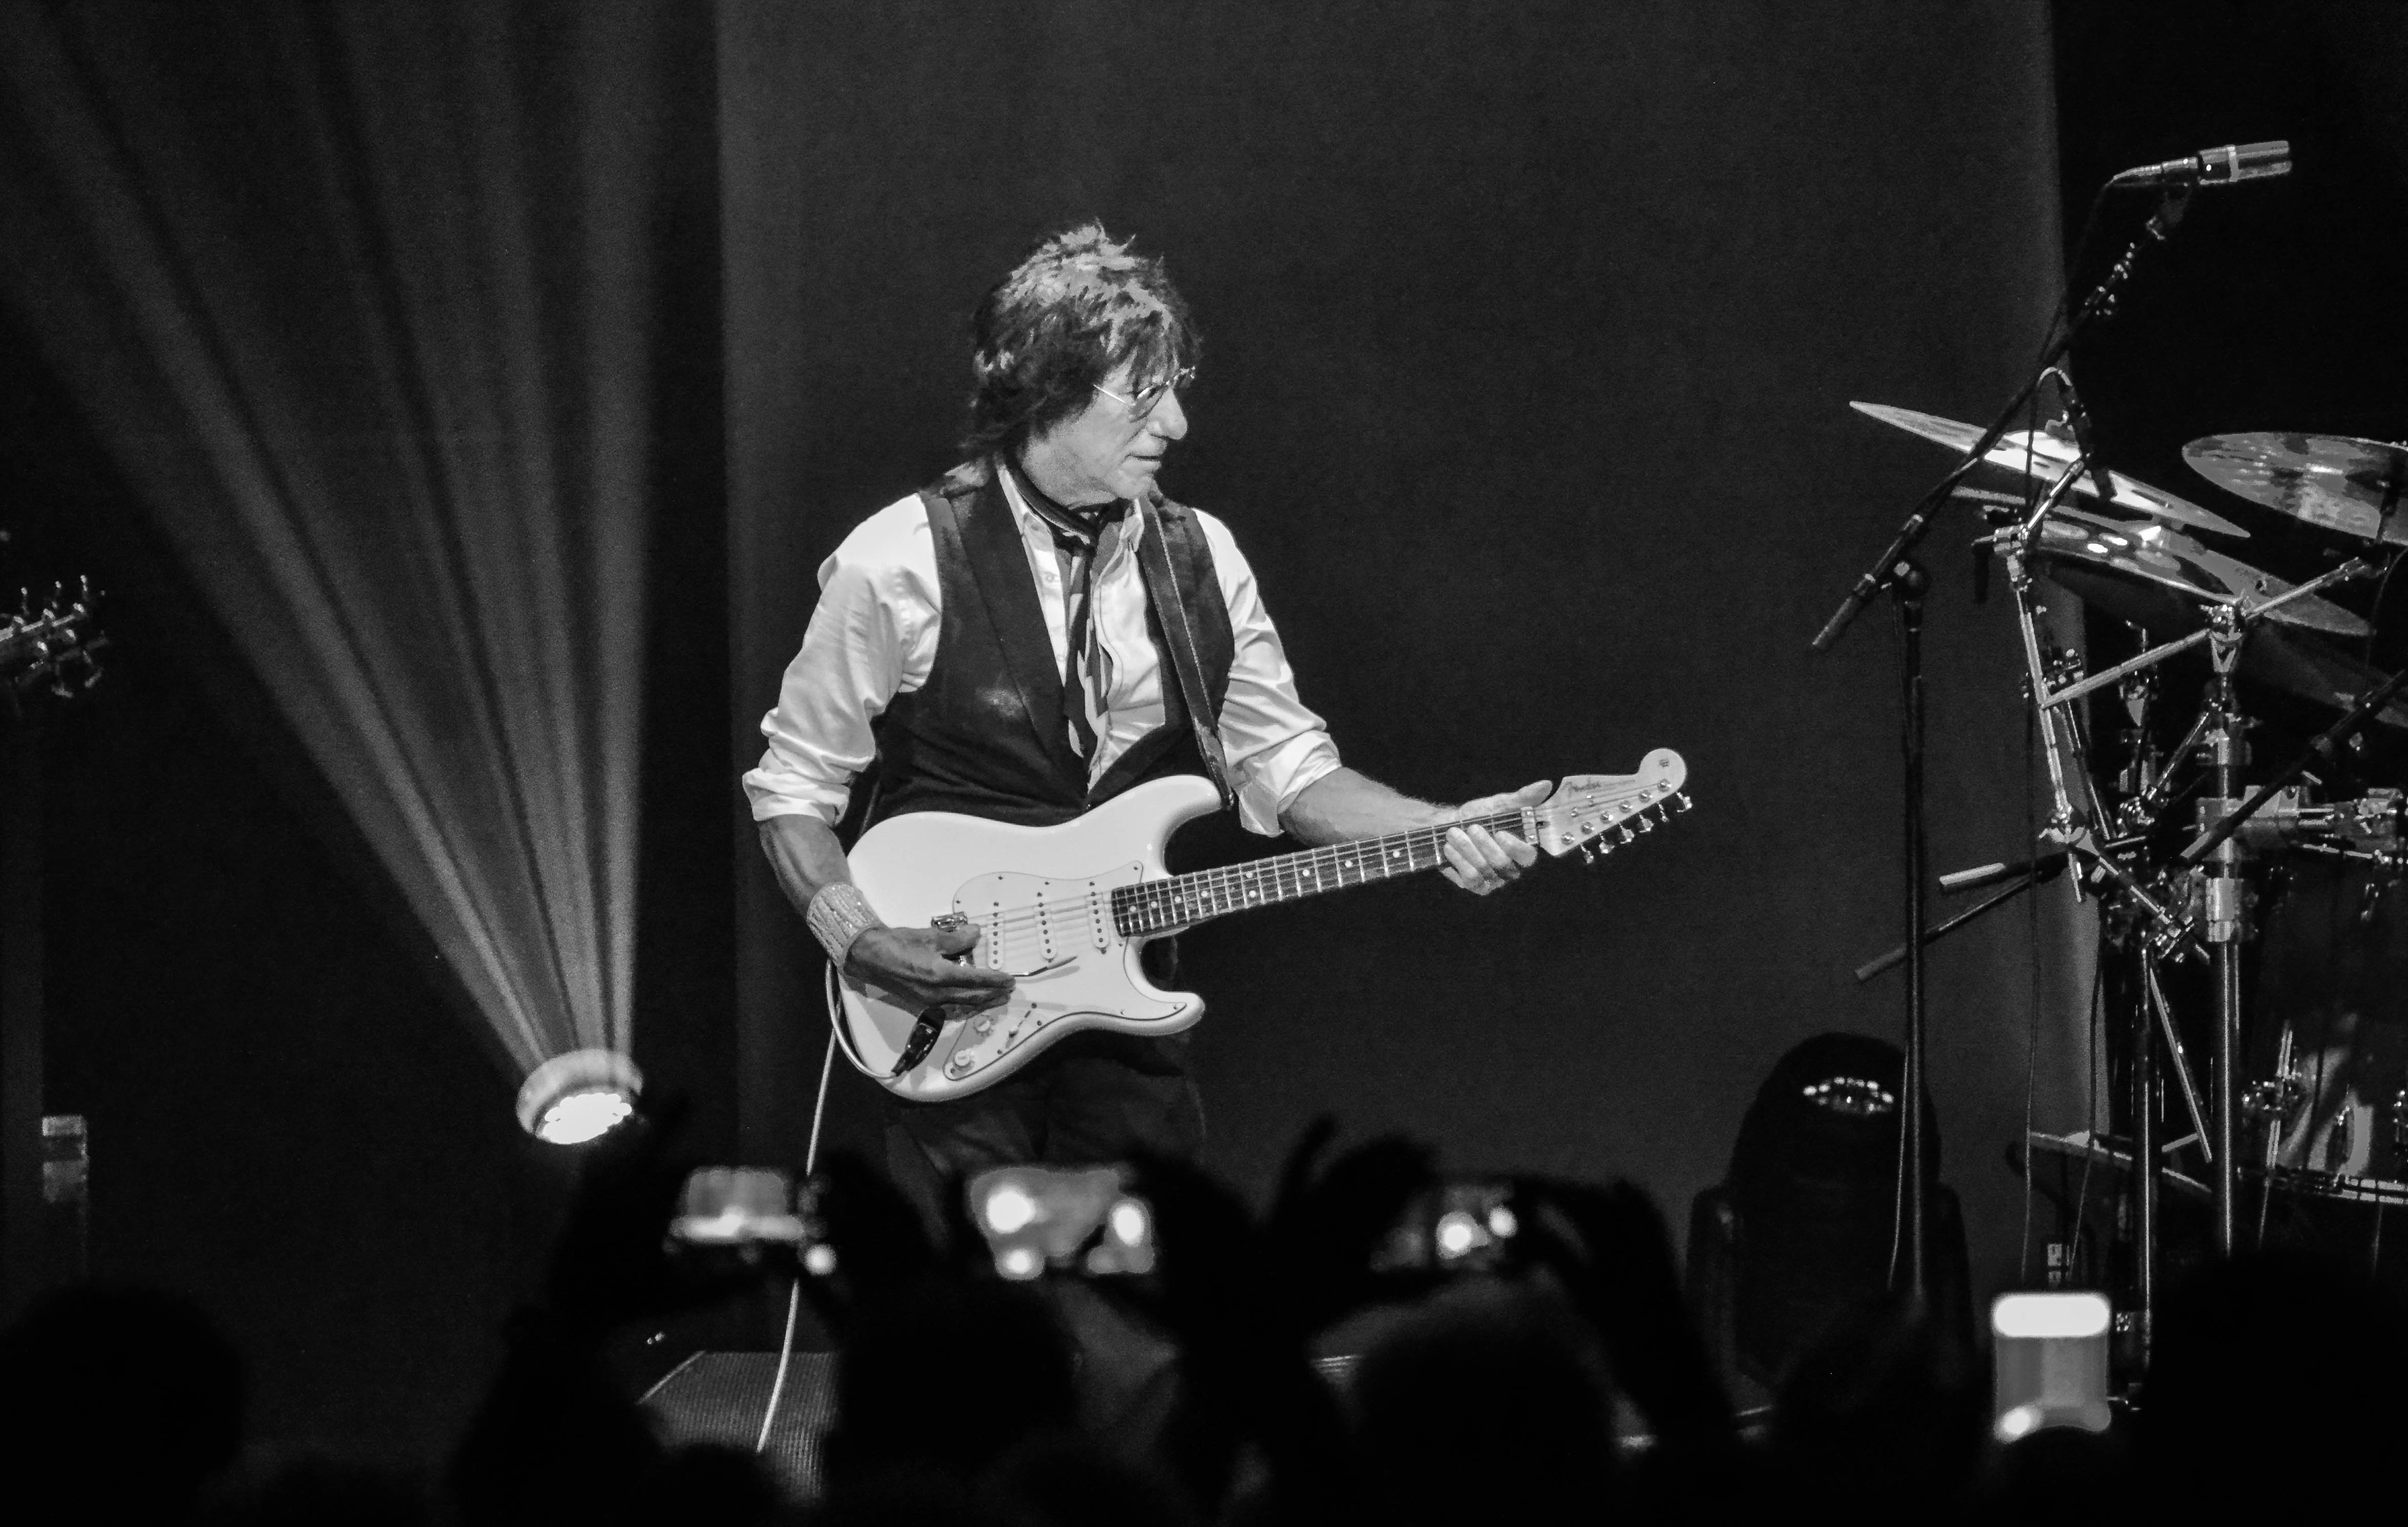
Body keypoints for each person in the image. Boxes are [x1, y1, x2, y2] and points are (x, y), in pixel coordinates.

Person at [744, 223, 1543, 1186]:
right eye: (1143, 394)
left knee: (1154, 1278)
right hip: (952, 1018)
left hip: (1125, 1016)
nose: (1177, 425)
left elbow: (1287, 768)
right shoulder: (898, 559)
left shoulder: (1201, 554)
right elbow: (794, 789)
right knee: (972, 1284)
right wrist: (862, 941)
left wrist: (1442, 828)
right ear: (1047, 390)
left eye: (1178, 389)